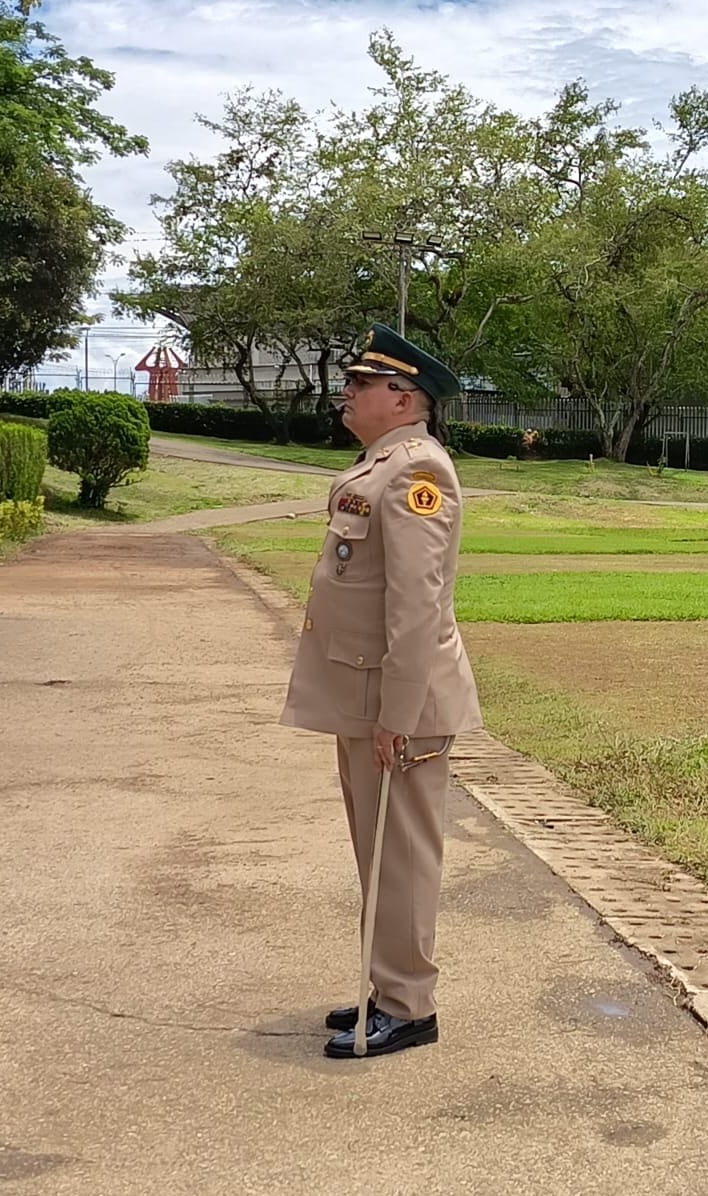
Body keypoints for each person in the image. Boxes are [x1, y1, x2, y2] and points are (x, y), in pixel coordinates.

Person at [280, 322, 482, 1059]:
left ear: (403, 398)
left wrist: (397, 716)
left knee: (401, 857)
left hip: (399, 703)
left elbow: (417, 606)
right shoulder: (383, 464)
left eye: (362, 384)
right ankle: (387, 982)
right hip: (366, 694)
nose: (348, 392)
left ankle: (408, 1005)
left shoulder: (416, 471)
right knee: (378, 849)